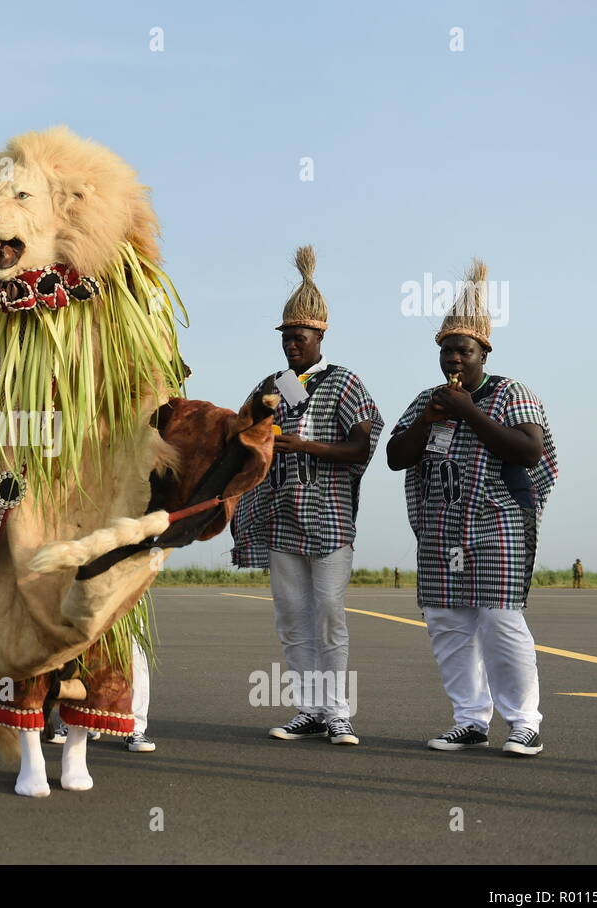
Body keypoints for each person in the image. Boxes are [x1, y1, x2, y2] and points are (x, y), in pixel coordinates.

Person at [386, 259, 557, 757]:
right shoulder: (428, 399)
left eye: (463, 350)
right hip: (442, 528)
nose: (454, 360)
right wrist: (432, 417)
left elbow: (527, 451)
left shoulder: (510, 392)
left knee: (501, 621)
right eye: (446, 352)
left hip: (498, 523)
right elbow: (397, 458)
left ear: (484, 351)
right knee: (447, 623)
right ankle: (469, 719)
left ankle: (524, 722)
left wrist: (468, 413)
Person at [230, 246, 382, 746]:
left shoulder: (342, 381)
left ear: (321, 337)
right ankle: (308, 709)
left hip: (329, 518)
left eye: (300, 337)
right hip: (280, 518)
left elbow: (362, 443)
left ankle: (338, 712)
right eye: (286, 337)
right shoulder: (278, 386)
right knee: (293, 620)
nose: (292, 345)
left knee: (330, 617)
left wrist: (303, 445)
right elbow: (242, 433)